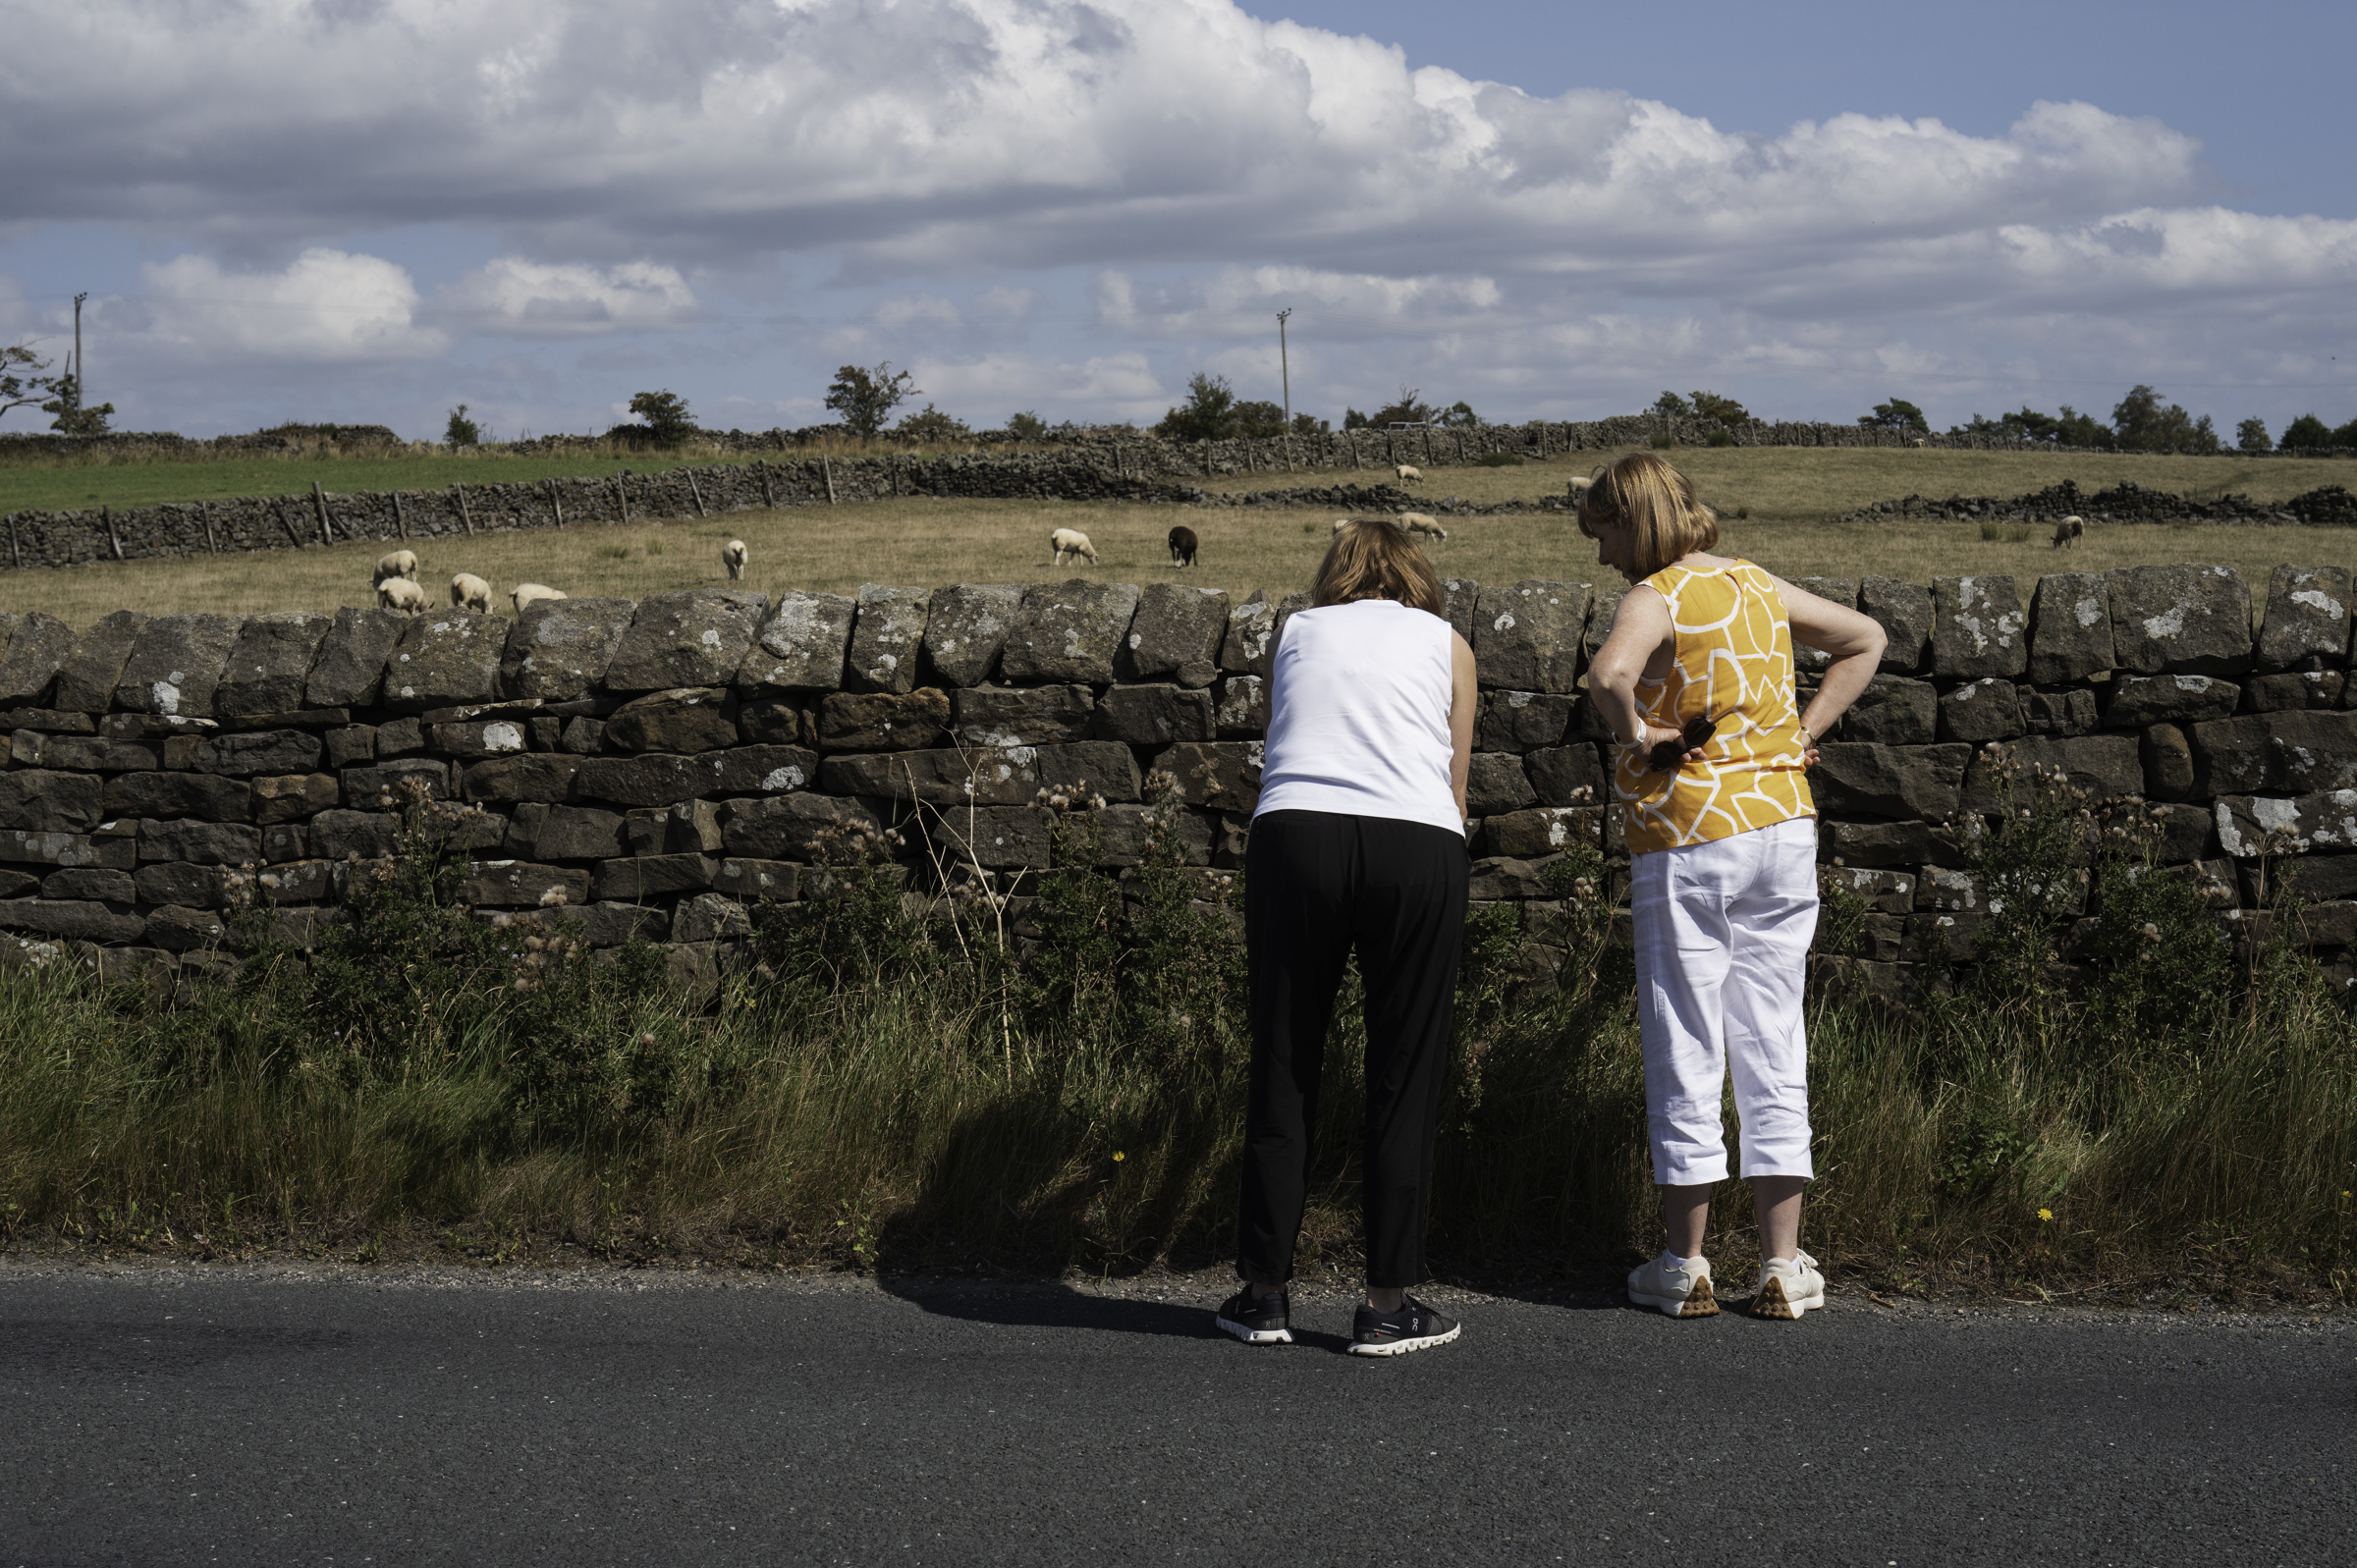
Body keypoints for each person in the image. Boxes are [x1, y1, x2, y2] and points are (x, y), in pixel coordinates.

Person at [1580, 451, 1886, 1320]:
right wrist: (1801, 730)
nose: (1600, 553)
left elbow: (1607, 676)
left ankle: (1686, 1263)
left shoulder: (1658, 594)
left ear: (1630, 520)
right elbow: (1867, 638)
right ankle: (1784, 1265)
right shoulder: (1758, 584)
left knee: (1686, 1033)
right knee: (1772, 1031)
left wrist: (1641, 735)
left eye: (1601, 531)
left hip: (1690, 833)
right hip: (1783, 825)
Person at [1216, 518, 1478, 1357]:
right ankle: (1387, 1305)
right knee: (1405, 1068)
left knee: (1285, 1060)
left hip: (1298, 833)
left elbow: (1282, 736)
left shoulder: (1295, 632)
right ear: (1417, 573)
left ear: (1337, 572)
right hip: (1416, 838)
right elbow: (1455, 783)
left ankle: (1263, 1294)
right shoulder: (1450, 644)